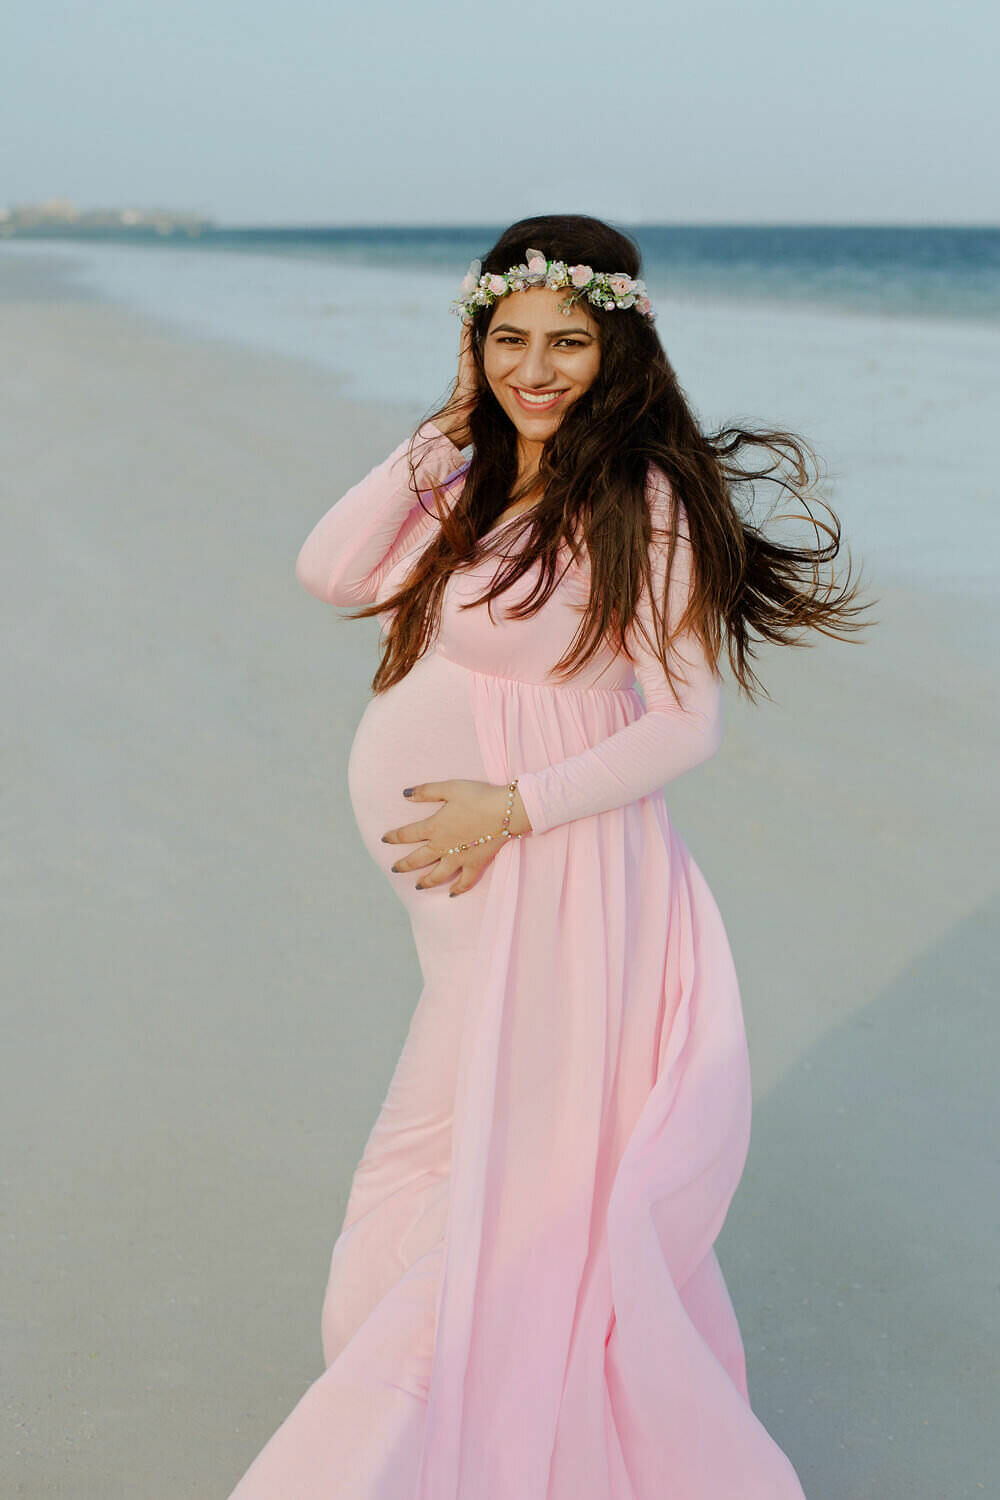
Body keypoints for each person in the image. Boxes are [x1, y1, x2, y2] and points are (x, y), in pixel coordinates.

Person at [225, 214, 872, 1499]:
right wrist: (446, 424)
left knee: (476, 1137)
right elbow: (325, 569)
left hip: (551, 868)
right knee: (460, 1129)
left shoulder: (645, 496)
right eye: (508, 341)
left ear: (617, 346)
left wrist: (508, 808)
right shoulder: (478, 476)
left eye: (567, 342)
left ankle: (418, 1413)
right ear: (474, 347)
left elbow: (685, 722)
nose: (537, 367)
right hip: (476, 893)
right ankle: (407, 1382)